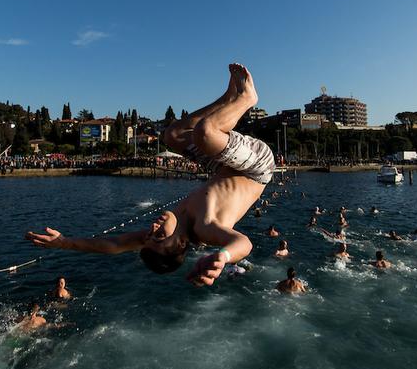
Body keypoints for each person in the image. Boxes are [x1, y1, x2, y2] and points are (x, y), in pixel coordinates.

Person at [26, 64, 274, 286]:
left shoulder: (165, 228)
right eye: (159, 236)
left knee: (173, 135)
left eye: (149, 234)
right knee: (205, 132)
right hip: (256, 168)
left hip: (223, 168)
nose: (153, 228)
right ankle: (246, 99)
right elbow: (244, 243)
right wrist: (223, 256)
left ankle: (228, 98)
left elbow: (114, 245)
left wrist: (64, 243)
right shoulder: (206, 227)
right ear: (180, 244)